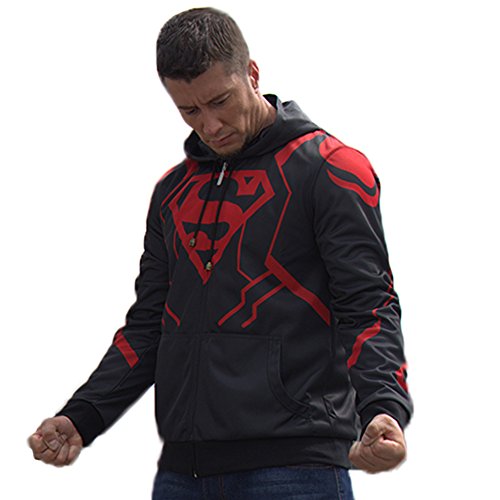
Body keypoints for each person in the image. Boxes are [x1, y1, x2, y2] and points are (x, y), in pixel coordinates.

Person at [28, 7, 413, 499]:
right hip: (181, 474)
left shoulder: (330, 169)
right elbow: (149, 326)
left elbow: (369, 305)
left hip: (296, 470)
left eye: (220, 101)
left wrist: (382, 407)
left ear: (252, 73)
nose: (210, 126)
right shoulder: (173, 192)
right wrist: (83, 415)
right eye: (189, 111)